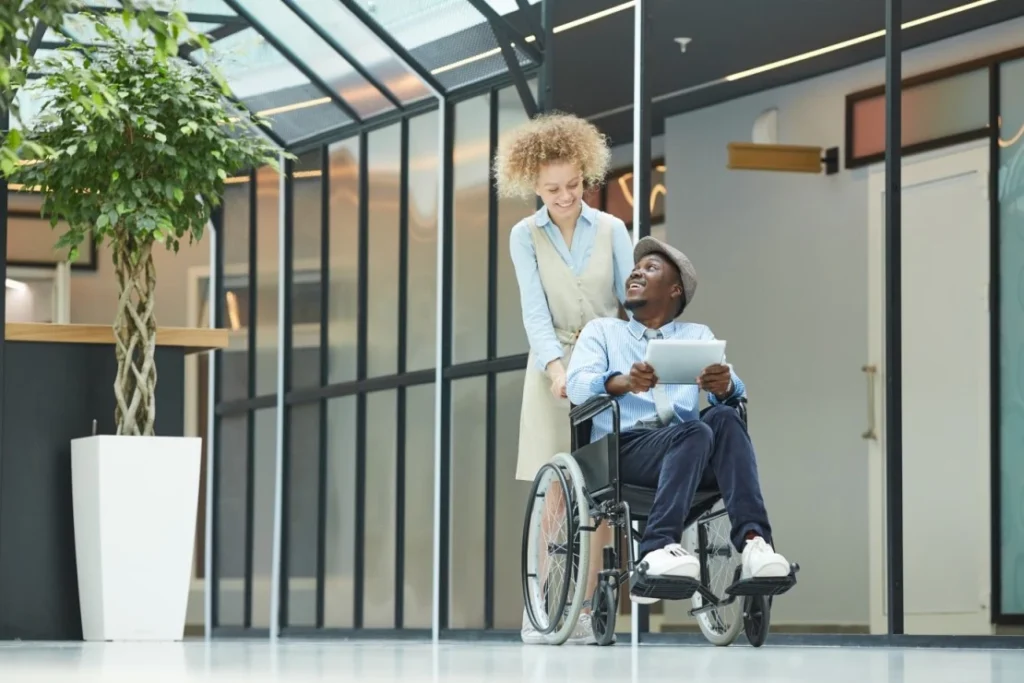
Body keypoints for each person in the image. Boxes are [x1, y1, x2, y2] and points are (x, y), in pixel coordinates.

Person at [565, 235, 791, 605]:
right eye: (636, 268)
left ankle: (755, 544)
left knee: (725, 417)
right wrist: (624, 382)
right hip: (623, 452)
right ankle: (657, 549)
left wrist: (724, 385)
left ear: (674, 290)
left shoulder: (697, 336)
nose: (636, 272)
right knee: (695, 432)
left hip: (690, 449)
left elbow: (736, 389)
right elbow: (576, 386)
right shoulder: (603, 331)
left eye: (650, 268)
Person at [494, 112, 633, 644]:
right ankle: (543, 607)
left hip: (605, 365)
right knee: (553, 490)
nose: (566, 196)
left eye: (573, 184)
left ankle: (584, 609)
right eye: (552, 189)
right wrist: (557, 370)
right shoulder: (525, 236)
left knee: (599, 494)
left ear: (585, 174)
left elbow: (630, 301)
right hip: (551, 368)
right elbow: (534, 312)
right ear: (533, 184)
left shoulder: (613, 230)